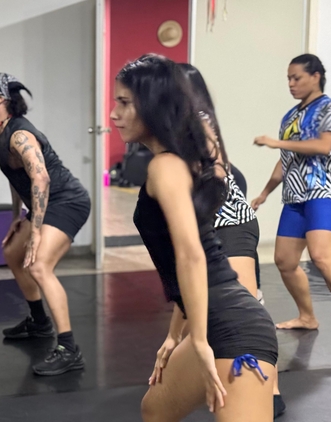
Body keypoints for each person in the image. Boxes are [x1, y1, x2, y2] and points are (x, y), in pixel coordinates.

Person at [113, 54, 278, 421]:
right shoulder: (176, 161)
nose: (113, 113)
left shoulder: (165, 166)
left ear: (153, 105)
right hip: (215, 318)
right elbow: (192, 262)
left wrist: (199, 339)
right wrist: (176, 335)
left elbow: (192, 255)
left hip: (235, 330)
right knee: (155, 409)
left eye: (124, 103)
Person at [180, 63, 285, 419]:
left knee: (245, 309)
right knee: (227, 304)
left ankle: (269, 390)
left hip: (232, 222)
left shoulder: (199, 121)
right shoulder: (179, 124)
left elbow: (216, 174)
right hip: (219, 223)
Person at [252, 53, 331, 358]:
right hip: (295, 197)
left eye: (297, 78)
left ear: (315, 76)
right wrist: (265, 193)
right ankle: (307, 316)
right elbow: (286, 161)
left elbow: (323, 145)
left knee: (321, 256)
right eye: (288, 79)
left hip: (323, 192)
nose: (291, 84)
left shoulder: (330, 107)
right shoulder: (290, 117)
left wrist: (277, 142)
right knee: (285, 261)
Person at [0, 73, 92, 376]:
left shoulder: (19, 135)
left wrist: (36, 231)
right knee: (13, 253)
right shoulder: (3, 132)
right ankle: (40, 323)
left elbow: (41, 178)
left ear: (0, 98)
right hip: (46, 203)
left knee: (39, 266)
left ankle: (69, 349)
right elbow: (19, 179)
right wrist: (18, 217)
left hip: (67, 201)